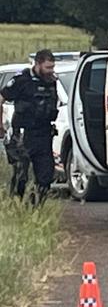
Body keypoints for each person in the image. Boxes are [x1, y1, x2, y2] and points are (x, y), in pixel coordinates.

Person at [0, 50, 58, 205]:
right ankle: (17, 205)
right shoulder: (21, 80)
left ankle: (37, 207)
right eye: (47, 67)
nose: (50, 71)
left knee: (46, 175)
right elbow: (1, 98)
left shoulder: (51, 81)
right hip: (23, 135)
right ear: (37, 64)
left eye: (52, 67)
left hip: (44, 134)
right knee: (21, 175)